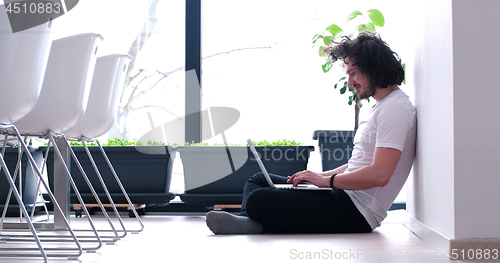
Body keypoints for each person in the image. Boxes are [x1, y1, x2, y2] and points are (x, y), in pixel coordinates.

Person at [205, 32, 417, 234]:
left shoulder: (395, 109)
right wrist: (319, 176)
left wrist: (326, 181)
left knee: (259, 199)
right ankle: (249, 222)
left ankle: (254, 220)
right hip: (343, 196)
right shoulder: (384, 107)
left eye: (353, 73)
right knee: (259, 180)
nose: (350, 83)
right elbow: (359, 164)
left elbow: (380, 175)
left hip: (357, 211)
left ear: (372, 67)